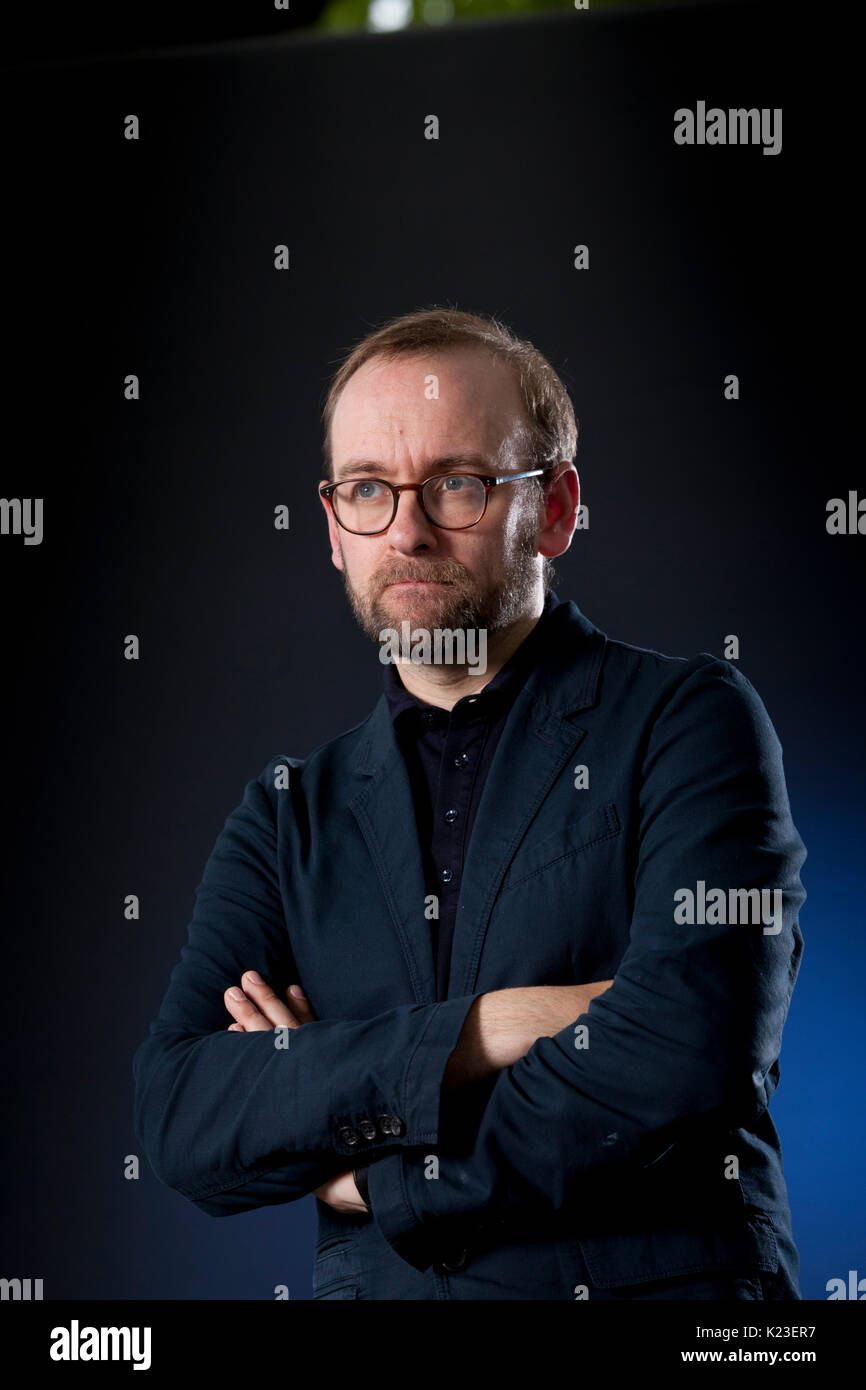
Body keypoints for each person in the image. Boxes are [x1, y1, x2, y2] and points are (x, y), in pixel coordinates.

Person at [133, 307, 806, 1300]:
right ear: (332, 529)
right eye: (367, 489)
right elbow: (183, 1117)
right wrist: (488, 1028)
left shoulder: (687, 720)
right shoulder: (286, 814)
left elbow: (682, 1049)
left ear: (559, 507)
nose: (405, 529)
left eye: (456, 483)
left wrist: (372, 1161)